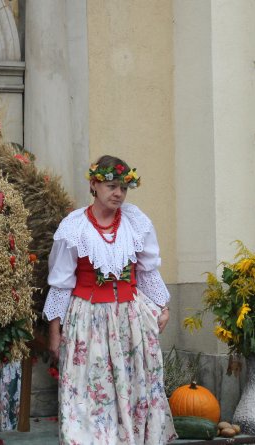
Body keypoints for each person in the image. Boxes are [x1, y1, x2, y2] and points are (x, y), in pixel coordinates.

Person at [44, 155, 177, 444]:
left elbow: (147, 270)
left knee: (132, 384)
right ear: (94, 184)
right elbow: (61, 283)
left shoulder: (135, 222)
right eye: (111, 186)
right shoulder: (74, 227)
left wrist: (162, 306)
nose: (118, 193)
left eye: (123, 188)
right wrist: (55, 332)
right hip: (87, 318)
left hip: (129, 317)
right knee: (89, 388)